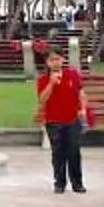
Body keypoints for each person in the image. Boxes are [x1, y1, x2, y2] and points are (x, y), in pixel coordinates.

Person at [32, 44, 90, 194]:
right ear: (47, 62)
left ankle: (77, 182)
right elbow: (42, 99)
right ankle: (59, 182)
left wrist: (83, 109)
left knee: (74, 151)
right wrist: (51, 83)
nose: (55, 63)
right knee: (58, 153)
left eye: (58, 59)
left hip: (72, 119)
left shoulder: (72, 75)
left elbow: (81, 93)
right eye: (52, 60)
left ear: (63, 59)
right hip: (54, 121)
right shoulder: (43, 79)